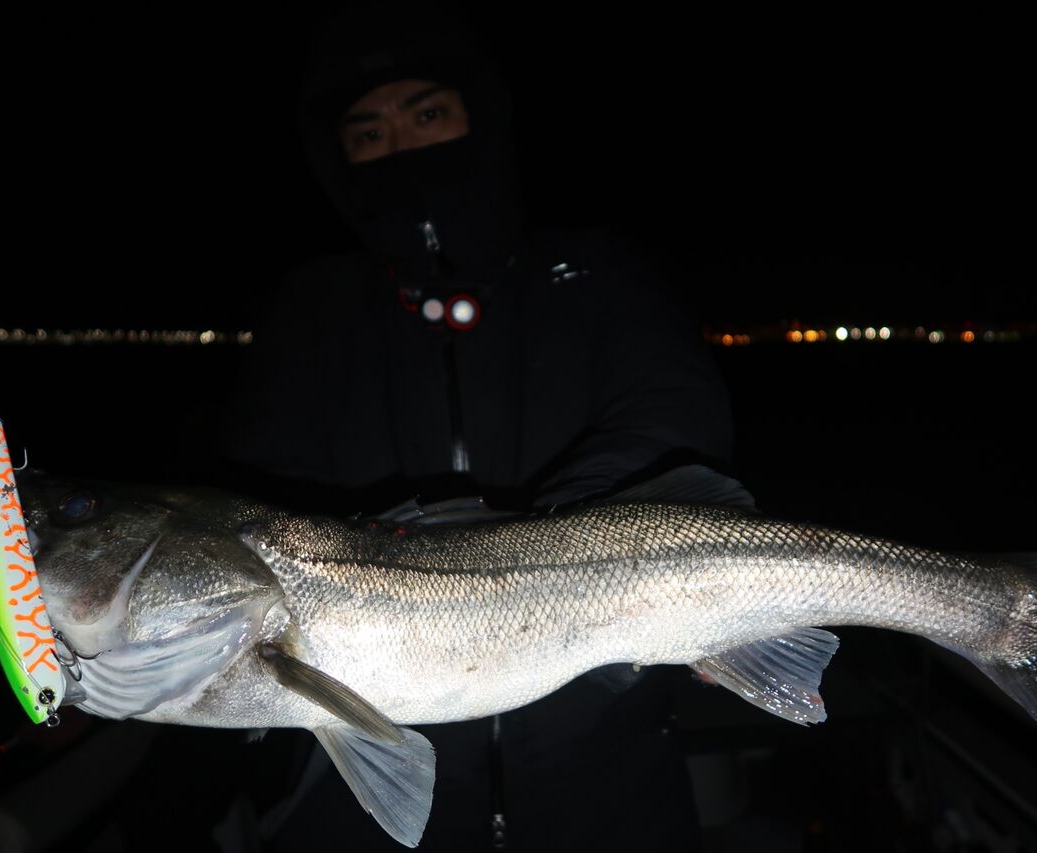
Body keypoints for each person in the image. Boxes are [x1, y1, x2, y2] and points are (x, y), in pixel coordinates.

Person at [221, 3, 734, 850]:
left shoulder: (599, 271)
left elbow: (677, 421)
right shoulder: (310, 310)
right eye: (369, 133)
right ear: (338, 158)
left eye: (427, 115)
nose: (401, 148)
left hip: (610, 763)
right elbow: (255, 496)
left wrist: (540, 551)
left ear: (481, 119)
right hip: (358, 778)